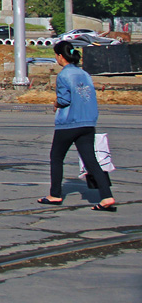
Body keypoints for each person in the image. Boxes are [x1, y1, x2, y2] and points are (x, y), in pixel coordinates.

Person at [38, 40, 116, 211]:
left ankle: (55, 194)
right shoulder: (84, 74)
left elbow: (65, 100)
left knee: (56, 158)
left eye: (56, 55)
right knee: (91, 161)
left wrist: (56, 104)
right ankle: (106, 196)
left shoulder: (64, 75)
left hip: (68, 123)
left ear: (60, 56)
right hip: (88, 122)